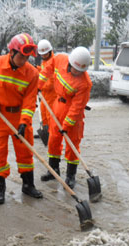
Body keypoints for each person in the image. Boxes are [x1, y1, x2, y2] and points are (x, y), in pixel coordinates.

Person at [0, 33, 43, 204]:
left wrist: (24, 123)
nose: (24, 60)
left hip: (19, 116)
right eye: (21, 55)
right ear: (11, 52)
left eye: (27, 57)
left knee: (25, 153)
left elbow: (29, 101)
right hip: (0, 116)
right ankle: (0, 189)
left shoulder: (32, 73)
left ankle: (28, 186)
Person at [38, 46, 93, 189]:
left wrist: (67, 125)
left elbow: (77, 107)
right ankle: (53, 170)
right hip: (57, 105)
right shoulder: (60, 60)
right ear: (70, 62)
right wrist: (38, 85)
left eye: (81, 71)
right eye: (75, 69)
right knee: (53, 140)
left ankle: (70, 176)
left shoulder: (85, 83)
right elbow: (46, 70)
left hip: (73, 114)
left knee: (72, 145)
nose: (77, 73)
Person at [36, 39, 56, 146]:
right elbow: (44, 74)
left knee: (50, 115)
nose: (43, 56)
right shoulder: (44, 62)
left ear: (50, 51)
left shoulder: (54, 62)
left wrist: (40, 86)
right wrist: (38, 69)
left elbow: (51, 81)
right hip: (44, 94)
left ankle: (51, 133)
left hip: (52, 95)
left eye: (45, 54)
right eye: (42, 54)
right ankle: (44, 131)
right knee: (42, 113)